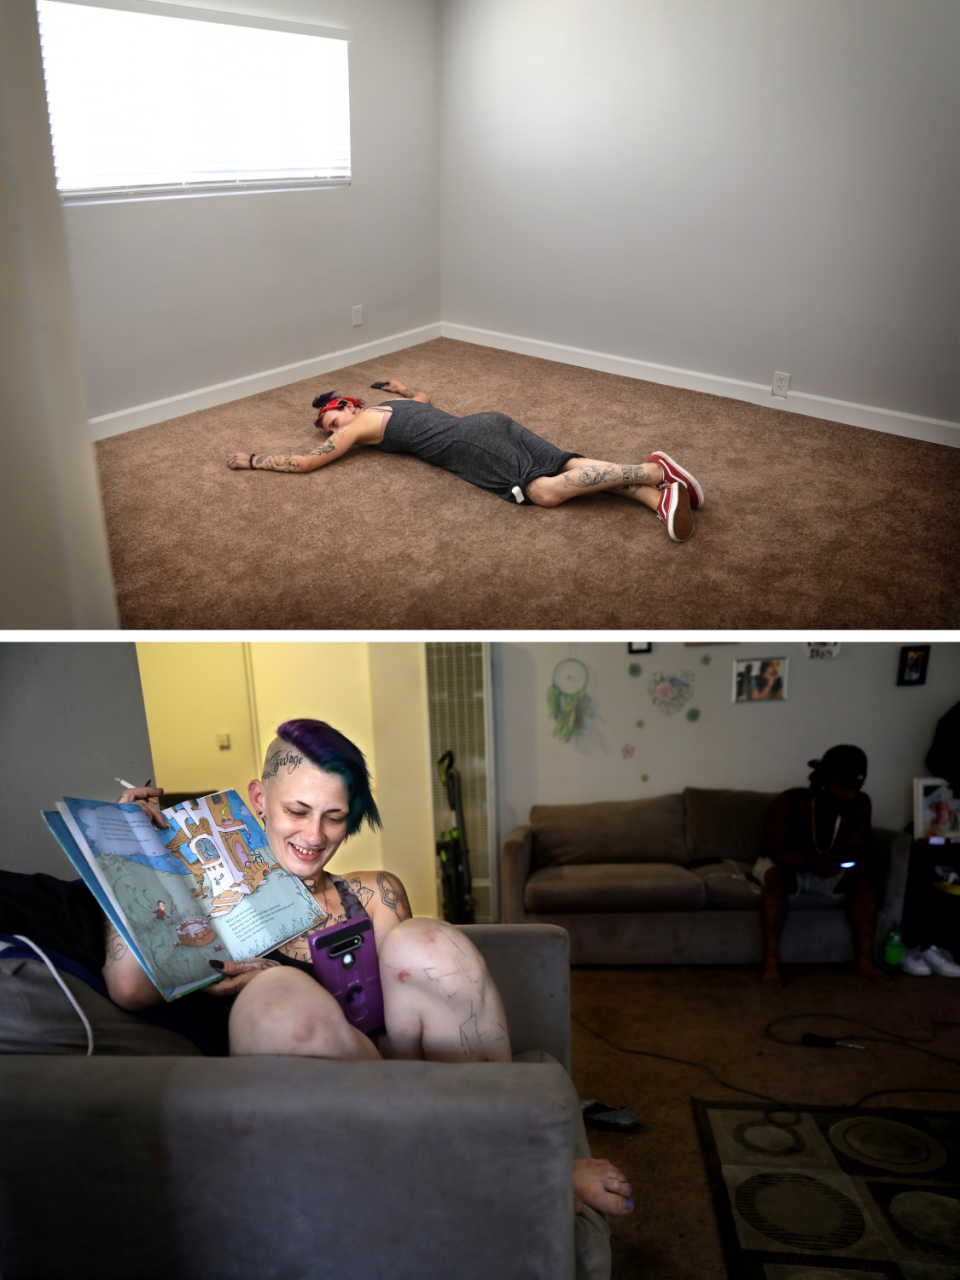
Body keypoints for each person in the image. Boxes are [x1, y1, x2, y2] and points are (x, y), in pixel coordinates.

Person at [106, 718, 633, 1222]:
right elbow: (129, 988)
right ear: (259, 800)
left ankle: (520, 1145)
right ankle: (498, 1166)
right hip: (311, 1104)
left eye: (334, 816)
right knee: (281, 995)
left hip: (395, 1073)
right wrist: (132, 849)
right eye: (297, 810)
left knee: (426, 938)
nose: (314, 835)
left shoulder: (372, 892)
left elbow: (414, 1014)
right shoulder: (202, 910)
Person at [226, 379, 705, 543]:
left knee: (543, 493)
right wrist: (401, 389)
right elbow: (425, 395)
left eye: (333, 421)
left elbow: (309, 464)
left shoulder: (360, 425)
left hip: (472, 446)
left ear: (348, 407)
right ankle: (656, 496)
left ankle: (652, 470)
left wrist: (252, 460)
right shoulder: (397, 407)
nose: (334, 432)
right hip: (490, 422)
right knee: (567, 464)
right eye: (332, 429)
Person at [754, 744, 893, 988]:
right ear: (823, 780)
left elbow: (856, 849)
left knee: (865, 881)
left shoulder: (860, 804)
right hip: (788, 865)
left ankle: (865, 961)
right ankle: (772, 962)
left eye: (857, 788)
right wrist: (811, 863)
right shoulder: (789, 801)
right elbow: (777, 850)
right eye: (844, 787)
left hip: (830, 867)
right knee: (776, 878)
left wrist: (854, 860)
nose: (851, 795)